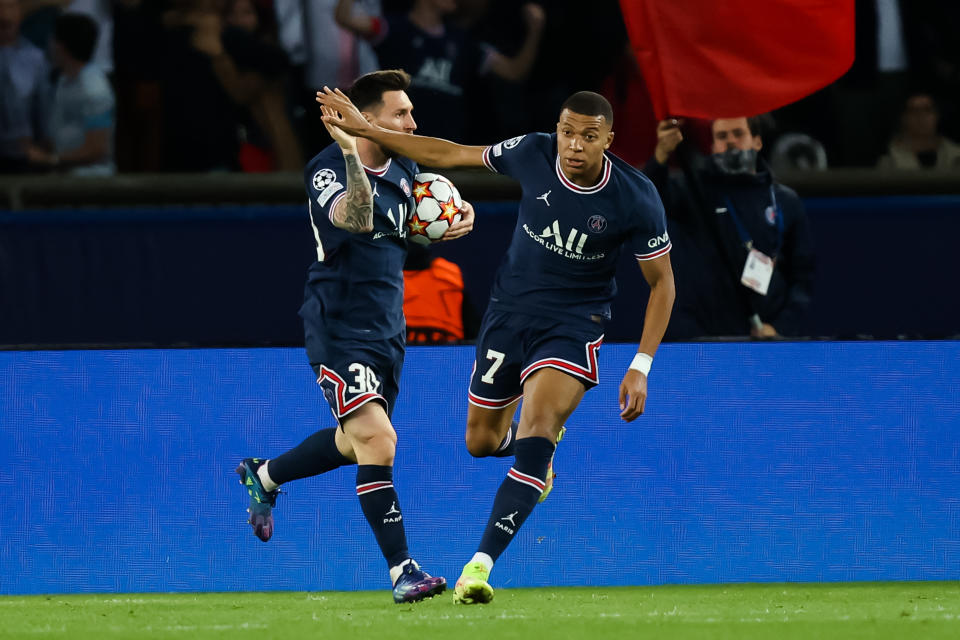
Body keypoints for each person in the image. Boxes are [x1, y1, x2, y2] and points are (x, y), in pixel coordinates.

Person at [317, 87, 675, 604]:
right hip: (508, 317)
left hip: (572, 324)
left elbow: (662, 283)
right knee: (482, 442)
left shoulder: (635, 197)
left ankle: (479, 567)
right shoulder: (533, 151)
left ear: (608, 141)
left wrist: (641, 365)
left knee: (538, 427)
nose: (574, 145)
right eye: (567, 132)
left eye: (588, 137)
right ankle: (537, 458)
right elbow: (450, 154)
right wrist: (370, 131)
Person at [236, 69, 475, 603]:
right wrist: (348, 151)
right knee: (379, 440)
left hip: (389, 329)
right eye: (401, 114)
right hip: (339, 323)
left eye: (411, 112)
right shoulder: (326, 170)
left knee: (354, 441)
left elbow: (417, 214)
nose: (412, 121)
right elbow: (360, 218)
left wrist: (458, 216)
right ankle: (403, 571)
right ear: (368, 120)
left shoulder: (407, 164)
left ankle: (266, 475)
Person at [644, 117, 815, 339]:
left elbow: (802, 275)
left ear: (757, 141)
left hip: (765, 336)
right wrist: (661, 154)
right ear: (713, 146)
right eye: (722, 136)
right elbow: (648, 203)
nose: (731, 141)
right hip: (704, 338)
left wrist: (780, 327)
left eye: (738, 133)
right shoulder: (693, 192)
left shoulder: (785, 201)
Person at [333, 0, 545, 142]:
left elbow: (514, 72)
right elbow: (345, 18)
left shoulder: (463, 42)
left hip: (445, 149)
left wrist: (535, 29)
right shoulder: (393, 28)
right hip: (399, 145)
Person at [25, 12, 115, 175]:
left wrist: (50, 159)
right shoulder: (63, 81)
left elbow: (97, 149)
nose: (49, 45)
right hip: (63, 177)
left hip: (90, 182)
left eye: (52, 39)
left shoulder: (95, 90)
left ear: (60, 46)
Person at [0, 0, 51, 173]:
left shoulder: (36, 58)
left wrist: (44, 150)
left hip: (27, 155)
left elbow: (44, 109)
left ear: (20, 14)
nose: (4, 14)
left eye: (10, 7)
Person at [877, 93, 960, 169]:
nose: (921, 116)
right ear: (904, 118)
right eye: (914, 111)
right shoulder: (889, 160)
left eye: (927, 110)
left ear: (937, 115)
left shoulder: (955, 156)